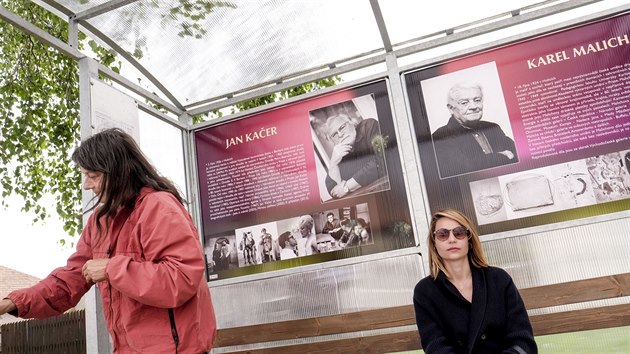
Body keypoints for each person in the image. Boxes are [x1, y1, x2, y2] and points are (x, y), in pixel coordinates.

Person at [0, 128, 216, 354]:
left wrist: (113, 268)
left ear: (119, 172)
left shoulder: (159, 207)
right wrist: (13, 302)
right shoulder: (99, 222)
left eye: (93, 176)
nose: (86, 185)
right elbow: (68, 280)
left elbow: (180, 279)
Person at [413, 209, 537, 354]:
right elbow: (435, 346)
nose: (452, 239)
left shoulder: (499, 279)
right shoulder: (425, 291)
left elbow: (522, 339)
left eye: (459, 232)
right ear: (434, 244)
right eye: (442, 234)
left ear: (469, 240)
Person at [432, 83, 518, 178]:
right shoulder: (441, 135)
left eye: (477, 100)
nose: (473, 106)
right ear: (451, 108)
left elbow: (518, 153)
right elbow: (461, 168)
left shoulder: (493, 128)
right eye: (464, 103)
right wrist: (501, 156)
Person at [324, 114, 385, 199]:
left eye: (342, 127)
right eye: (334, 134)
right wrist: (333, 164)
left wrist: (347, 187)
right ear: (332, 141)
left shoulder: (369, 126)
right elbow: (333, 189)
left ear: (352, 123)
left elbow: (383, 160)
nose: (340, 134)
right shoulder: (340, 153)